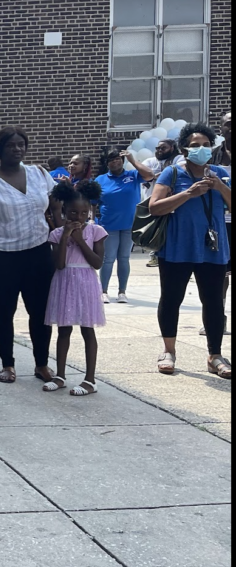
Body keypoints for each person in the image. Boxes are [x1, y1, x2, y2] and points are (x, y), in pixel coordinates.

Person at [0, 126, 61, 384]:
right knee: (4, 311)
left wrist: (65, 236)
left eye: (21, 144)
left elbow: (55, 208)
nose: (17, 149)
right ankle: (7, 364)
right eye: (11, 145)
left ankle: (41, 364)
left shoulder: (40, 174)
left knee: (40, 312)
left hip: (38, 253)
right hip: (0, 256)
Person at [149, 122, 232, 379]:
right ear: (185, 150)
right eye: (195, 146)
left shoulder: (220, 174)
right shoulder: (172, 174)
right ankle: (168, 351)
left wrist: (219, 186)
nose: (202, 150)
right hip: (177, 246)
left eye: (206, 145)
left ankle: (215, 355)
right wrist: (188, 193)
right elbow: (155, 207)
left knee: (214, 302)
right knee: (172, 298)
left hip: (212, 248)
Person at [43, 181, 107, 397]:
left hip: (86, 283)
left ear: (89, 211)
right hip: (64, 281)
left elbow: (97, 263)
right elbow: (59, 264)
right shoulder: (57, 234)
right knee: (63, 329)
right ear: (64, 211)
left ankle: (90, 379)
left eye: (82, 213)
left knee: (87, 329)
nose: (77, 217)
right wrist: (65, 237)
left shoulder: (96, 231)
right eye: (72, 212)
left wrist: (79, 240)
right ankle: (60, 375)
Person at [94, 150, 145, 305]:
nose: (114, 162)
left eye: (117, 159)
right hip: (109, 225)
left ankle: (122, 291)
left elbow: (149, 175)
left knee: (124, 258)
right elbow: (93, 201)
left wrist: (133, 159)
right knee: (108, 259)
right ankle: (103, 291)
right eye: (111, 160)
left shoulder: (133, 175)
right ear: (106, 163)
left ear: (122, 160)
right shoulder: (101, 179)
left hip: (129, 225)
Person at [131, 139, 184, 267]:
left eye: (163, 148)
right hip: (154, 203)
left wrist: (158, 176)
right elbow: (146, 176)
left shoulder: (179, 158)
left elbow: (180, 171)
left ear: (172, 148)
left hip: (174, 204)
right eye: (157, 148)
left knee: (173, 232)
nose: (159, 151)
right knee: (155, 230)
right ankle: (154, 255)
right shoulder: (150, 161)